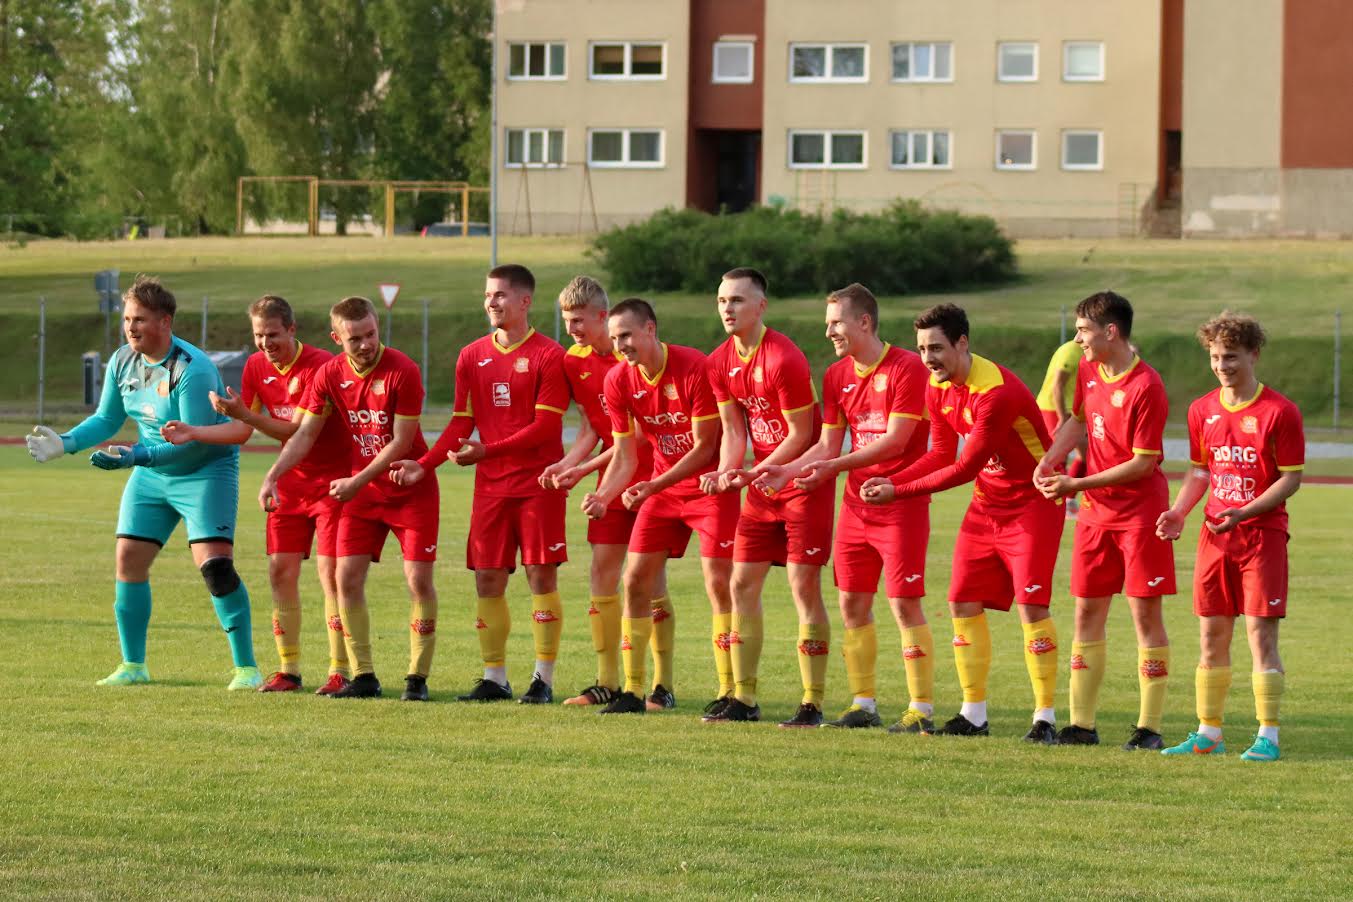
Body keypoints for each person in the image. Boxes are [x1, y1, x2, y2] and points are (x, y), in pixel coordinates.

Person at [24, 275, 261, 689]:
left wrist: (137, 455)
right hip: (150, 474)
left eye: (140, 320)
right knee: (128, 559)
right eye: (127, 319)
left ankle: (246, 668)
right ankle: (133, 666)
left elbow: (193, 442)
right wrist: (66, 443)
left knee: (216, 569)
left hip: (204, 473)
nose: (131, 327)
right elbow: (108, 419)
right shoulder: (122, 361)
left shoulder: (193, 369)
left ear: (165, 322)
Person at [863, 303, 1064, 743]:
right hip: (986, 505)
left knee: (1032, 607)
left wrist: (895, 491)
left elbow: (964, 467)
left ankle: (1045, 719)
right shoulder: (937, 387)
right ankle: (974, 715)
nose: (928, 357)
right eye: (921, 348)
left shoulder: (996, 392)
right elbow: (938, 454)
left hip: (1033, 504)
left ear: (962, 343)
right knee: (961, 602)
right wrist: (890, 478)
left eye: (936, 347)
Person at [392, 265, 569, 704]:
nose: (492, 302)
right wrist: (425, 465)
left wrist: (487, 451)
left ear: (525, 301)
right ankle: (495, 678)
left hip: (538, 485)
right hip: (490, 489)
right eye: (488, 295)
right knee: (487, 579)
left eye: (502, 295)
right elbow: (461, 423)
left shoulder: (550, 355)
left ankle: (542, 679)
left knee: (538, 574)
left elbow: (546, 427)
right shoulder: (472, 355)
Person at [161, 295, 353, 695]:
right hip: (290, 485)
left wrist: (243, 414)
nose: (266, 343)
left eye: (273, 335)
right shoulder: (254, 366)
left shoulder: (320, 365)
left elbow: (296, 431)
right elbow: (242, 432)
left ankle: (340, 671)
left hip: (333, 484)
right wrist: (195, 432)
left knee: (329, 576)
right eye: (258, 335)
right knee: (279, 572)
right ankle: (289, 670)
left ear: (292, 330)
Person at [766, 283, 933, 731]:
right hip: (857, 508)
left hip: (901, 502)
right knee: (851, 605)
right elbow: (825, 443)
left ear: (864, 321)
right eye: (827, 324)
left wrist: (833, 467)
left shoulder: (908, 369)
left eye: (836, 322)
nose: (829, 332)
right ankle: (864, 704)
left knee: (903, 604)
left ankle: (921, 709)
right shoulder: (836, 375)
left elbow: (896, 440)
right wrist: (786, 470)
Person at [261, 295, 438, 701]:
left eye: (371, 334)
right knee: (345, 579)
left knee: (418, 581)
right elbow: (305, 433)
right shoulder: (328, 374)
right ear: (336, 338)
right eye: (354, 338)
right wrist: (273, 475)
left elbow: (402, 442)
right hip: (363, 491)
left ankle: (417, 678)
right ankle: (364, 676)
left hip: (410, 490)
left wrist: (357, 480)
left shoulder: (403, 370)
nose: (365, 344)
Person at [1156, 312, 1303, 762]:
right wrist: (1180, 511)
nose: (1222, 366)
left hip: (1262, 536)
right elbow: (1201, 470)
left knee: (1260, 635)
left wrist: (1246, 511)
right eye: (1216, 357)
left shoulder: (1280, 411)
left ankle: (1268, 736)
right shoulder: (1202, 409)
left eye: (1232, 357)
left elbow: (1291, 479)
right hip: (1215, 537)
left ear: (1254, 354)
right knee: (1211, 636)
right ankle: (1209, 733)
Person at [581, 298, 739, 715]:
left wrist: (653, 484)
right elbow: (626, 454)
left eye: (627, 335)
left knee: (718, 585)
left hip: (708, 489)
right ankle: (635, 691)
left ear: (651, 329)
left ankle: (729, 691)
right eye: (614, 338)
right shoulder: (617, 380)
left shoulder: (695, 367)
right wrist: (605, 495)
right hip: (664, 492)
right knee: (635, 582)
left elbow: (707, 448)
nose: (621, 345)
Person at [1033, 291, 1175, 750]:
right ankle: (1082, 725)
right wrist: (1051, 458)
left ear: (1110, 331)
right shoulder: (1090, 371)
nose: (1078, 340)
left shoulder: (1147, 386)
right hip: (1097, 515)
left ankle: (1149, 728)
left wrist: (1076, 485)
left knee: (1143, 613)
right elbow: (1077, 420)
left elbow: (1142, 463)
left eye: (1083, 331)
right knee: (1087, 609)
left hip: (1139, 515)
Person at [701, 268, 831, 725]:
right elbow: (734, 431)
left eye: (737, 300)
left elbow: (801, 434)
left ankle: (811, 702)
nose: (727, 309)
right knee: (740, 584)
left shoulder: (783, 358)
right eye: (721, 301)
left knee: (802, 587)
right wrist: (725, 472)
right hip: (762, 485)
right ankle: (744, 698)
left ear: (761, 307)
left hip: (801, 482)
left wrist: (757, 470)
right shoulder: (718, 362)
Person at [539, 275, 668, 707]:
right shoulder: (574, 361)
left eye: (578, 320)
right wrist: (566, 462)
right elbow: (592, 428)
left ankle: (661, 686)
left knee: (650, 580)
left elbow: (633, 442)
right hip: (611, 479)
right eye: (566, 321)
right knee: (601, 574)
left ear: (602, 315)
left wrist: (580, 471)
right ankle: (607, 682)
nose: (572, 329)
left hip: (651, 476)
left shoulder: (632, 356)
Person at [1036, 337, 1088, 515]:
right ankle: (1054, 505)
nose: (1079, 336)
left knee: (1086, 456)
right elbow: (1057, 386)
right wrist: (1060, 417)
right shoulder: (1071, 351)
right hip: (1053, 407)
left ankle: (1069, 500)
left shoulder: (1091, 352)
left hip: (1074, 410)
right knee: (1057, 457)